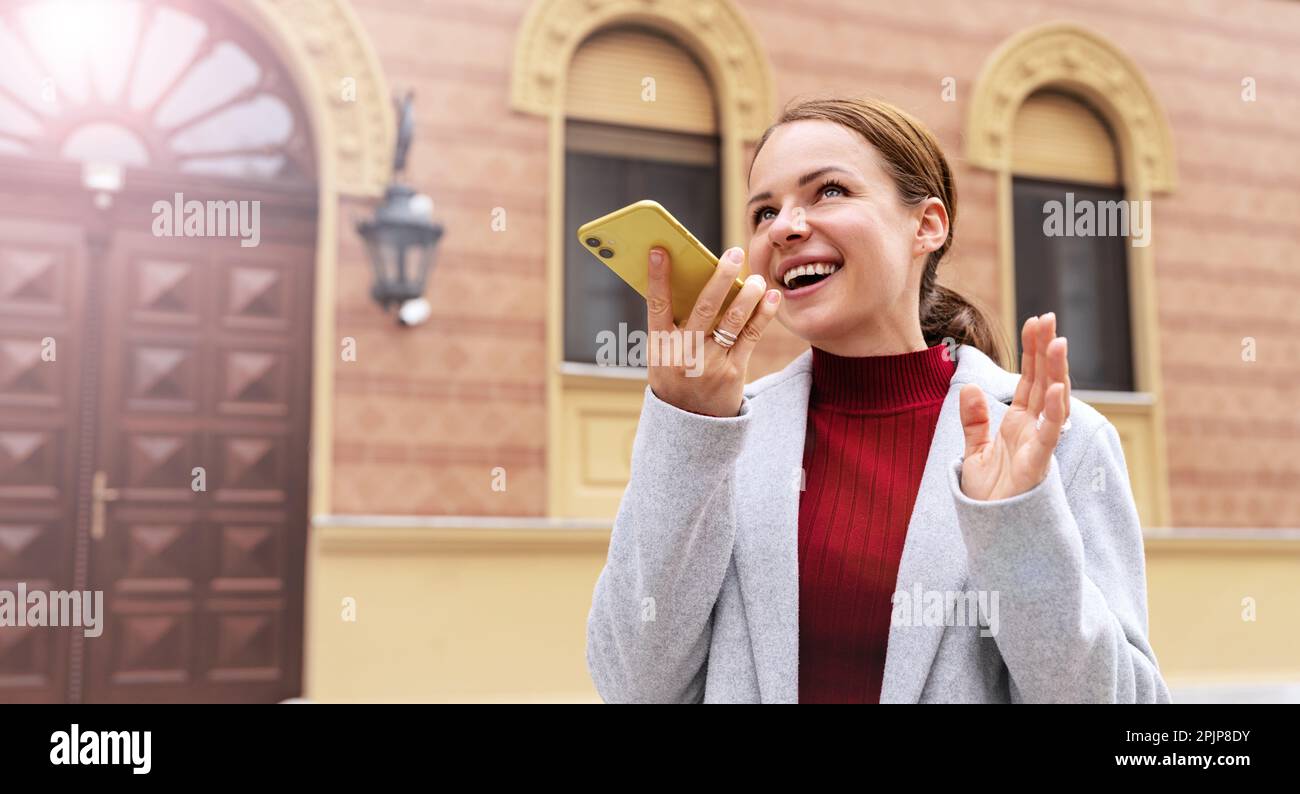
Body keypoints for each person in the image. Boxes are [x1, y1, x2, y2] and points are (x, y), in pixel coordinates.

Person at [585, 96, 1170, 703]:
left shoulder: (1058, 443)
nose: (784, 226)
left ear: (927, 225)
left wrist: (1018, 531)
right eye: (764, 211)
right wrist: (689, 432)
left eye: (829, 191)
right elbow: (634, 686)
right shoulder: (719, 435)